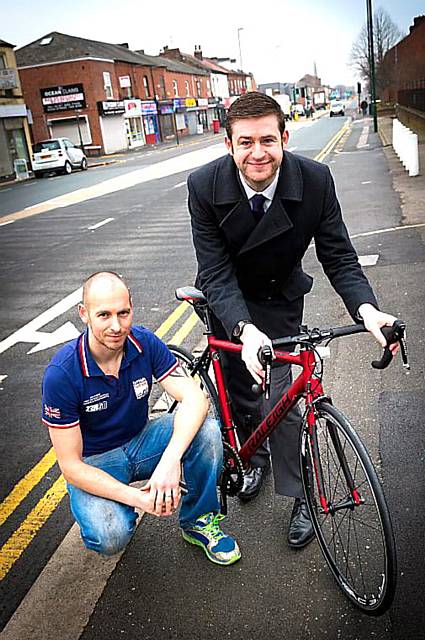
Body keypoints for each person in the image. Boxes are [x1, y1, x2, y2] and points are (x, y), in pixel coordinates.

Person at [187, 92, 397, 548]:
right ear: (229, 145)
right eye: (245, 142)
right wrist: (243, 330)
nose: (257, 152)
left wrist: (367, 311)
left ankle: (302, 493)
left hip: (279, 299)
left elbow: (339, 255)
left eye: (268, 139)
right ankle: (252, 461)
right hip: (229, 301)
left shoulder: (314, 180)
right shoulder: (203, 185)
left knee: (281, 398)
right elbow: (215, 270)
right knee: (241, 395)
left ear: (284, 137)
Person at [41, 271, 240, 566]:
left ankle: (198, 520)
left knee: (207, 431)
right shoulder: (62, 373)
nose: (116, 326)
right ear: (84, 314)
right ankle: (113, 505)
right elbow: (70, 466)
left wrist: (170, 463)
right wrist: (141, 500)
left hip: (143, 441)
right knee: (110, 535)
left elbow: (197, 398)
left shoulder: (143, 342)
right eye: (104, 315)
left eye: (123, 313)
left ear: (132, 307)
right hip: (98, 462)